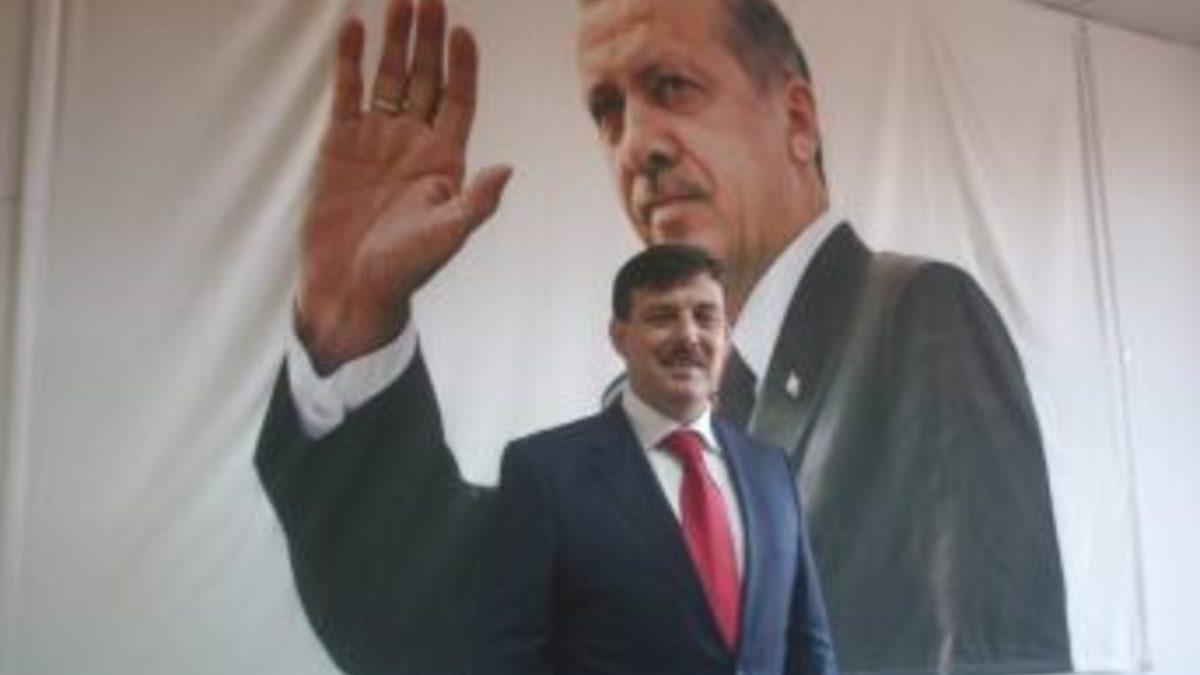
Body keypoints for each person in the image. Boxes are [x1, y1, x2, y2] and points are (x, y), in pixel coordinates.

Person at [255, 0, 1071, 672]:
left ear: (796, 119)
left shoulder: (911, 316)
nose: (635, 145)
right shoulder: (637, 404)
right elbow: (448, 631)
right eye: (608, 112)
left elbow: (1000, 654)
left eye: (673, 86)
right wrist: (350, 317)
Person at [475, 244, 836, 675]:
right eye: (663, 317)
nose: (688, 336)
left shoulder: (771, 470)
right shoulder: (545, 472)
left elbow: (808, 642)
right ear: (619, 337)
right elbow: (511, 656)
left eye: (705, 317)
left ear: (726, 334)